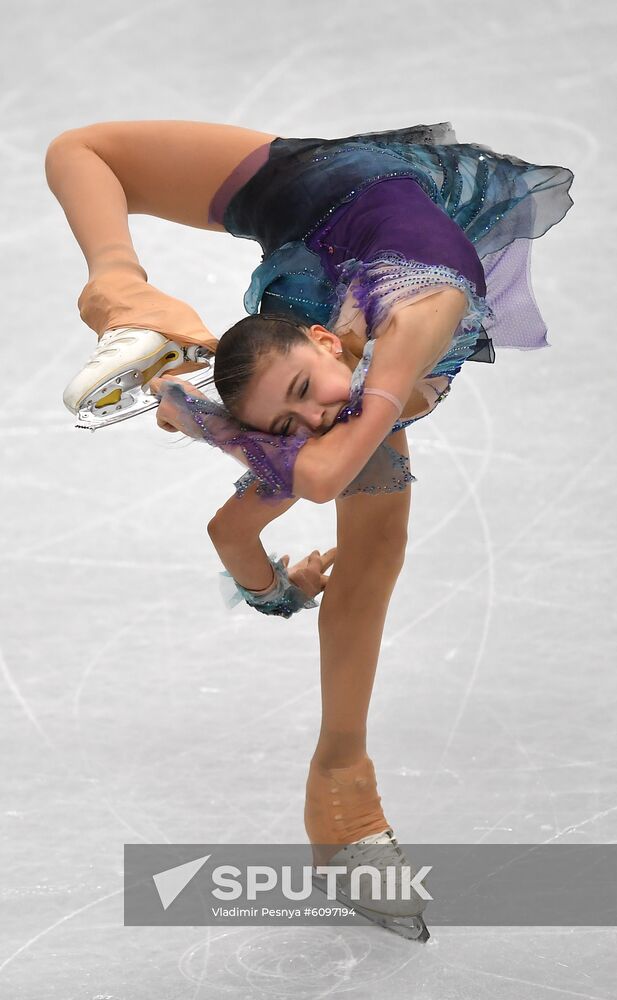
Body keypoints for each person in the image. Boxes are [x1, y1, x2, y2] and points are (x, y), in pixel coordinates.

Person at [45, 120, 574, 941]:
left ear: (327, 341)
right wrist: (272, 592)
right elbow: (244, 521)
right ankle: (127, 300)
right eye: (285, 421)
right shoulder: (311, 369)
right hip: (318, 269)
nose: (310, 421)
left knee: (376, 540)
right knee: (80, 152)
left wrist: (195, 416)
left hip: (334, 185)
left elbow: (316, 476)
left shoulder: (418, 315)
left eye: (300, 396)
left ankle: (341, 784)